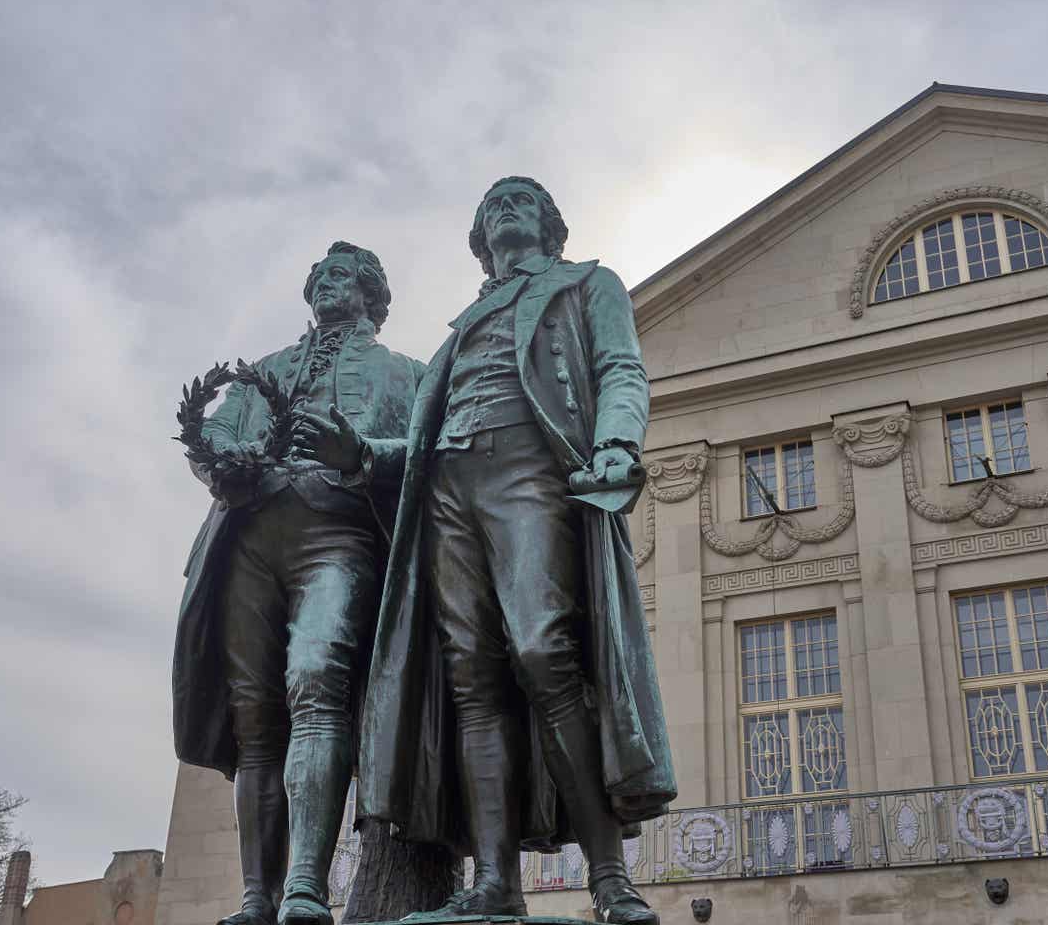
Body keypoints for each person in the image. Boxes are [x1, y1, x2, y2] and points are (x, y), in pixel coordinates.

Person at [293, 179, 675, 924]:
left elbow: (622, 369)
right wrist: (361, 452)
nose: (506, 208)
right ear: (478, 236)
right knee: (473, 679)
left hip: (529, 469)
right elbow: (425, 435)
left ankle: (609, 878)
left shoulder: (588, 284)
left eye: (522, 200)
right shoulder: (459, 328)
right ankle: (495, 882)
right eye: (493, 204)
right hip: (447, 487)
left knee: (543, 650)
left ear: (550, 226)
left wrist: (619, 441)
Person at [171, 242, 421, 925]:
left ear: (372, 294)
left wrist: (364, 451)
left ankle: (306, 886)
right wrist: (221, 461)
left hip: (339, 534)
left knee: (316, 682)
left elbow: (434, 447)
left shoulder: (405, 372)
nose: (328, 287)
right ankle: (259, 896)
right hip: (248, 541)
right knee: (255, 719)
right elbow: (217, 433)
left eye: (343, 277)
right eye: (320, 279)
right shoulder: (265, 372)